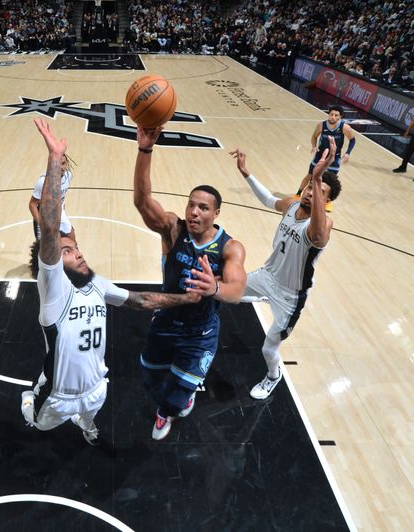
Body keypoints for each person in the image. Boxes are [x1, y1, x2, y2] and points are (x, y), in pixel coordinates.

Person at [23, 118, 199, 446]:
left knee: (90, 419)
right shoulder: (54, 292)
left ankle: (86, 425)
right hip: (57, 396)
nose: (76, 251)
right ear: (52, 266)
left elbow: (141, 301)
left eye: (75, 247)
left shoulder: (97, 283)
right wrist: (53, 158)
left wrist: (185, 299)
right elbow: (49, 226)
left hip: (96, 389)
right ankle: (29, 402)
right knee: (39, 425)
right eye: (66, 251)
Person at [133, 126, 247, 440]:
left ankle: (170, 409)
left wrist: (215, 289)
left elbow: (237, 290)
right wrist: (145, 150)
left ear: (217, 213)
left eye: (203, 207)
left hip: (200, 332)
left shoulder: (229, 247)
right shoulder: (173, 229)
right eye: (191, 204)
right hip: (166, 320)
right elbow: (143, 202)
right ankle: (171, 396)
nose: (194, 211)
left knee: (175, 398)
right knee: (149, 378)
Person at [214, 138, 341, 400]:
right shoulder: (293, 205)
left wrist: (317, 179)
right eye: (308, 186)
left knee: (269, 351)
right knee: (218, 288)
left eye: (318, 191)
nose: (308, 191)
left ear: (326, 200)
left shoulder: (323, 225)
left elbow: (317, 234)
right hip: (266, 277)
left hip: (289, 297)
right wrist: (246, 172)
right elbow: (269, 199)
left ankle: (273, 377)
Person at [296, 105, 354, 212]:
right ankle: (298, 194)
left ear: (339, 117)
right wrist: (314, 146)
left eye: (336, 115)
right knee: (310, 176)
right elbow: (314, 136)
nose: (332, 117)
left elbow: (352, 140)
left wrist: (347, 153)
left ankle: (328, 202)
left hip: (334, 158)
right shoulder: (321, 125)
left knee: (331, 182)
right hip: (320, 156)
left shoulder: (344, 127)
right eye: (331, 114)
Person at [28, 153, 75, 241]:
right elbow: (32, 204)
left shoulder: (68, 176)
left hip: (59, 211)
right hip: (44, 215)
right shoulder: (43, 182)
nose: (61, 167)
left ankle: (74, 253)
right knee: (43, 247)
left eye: (63, 163)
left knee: (70, 236)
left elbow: (61, 197)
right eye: (57, 165)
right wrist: (41, 224)